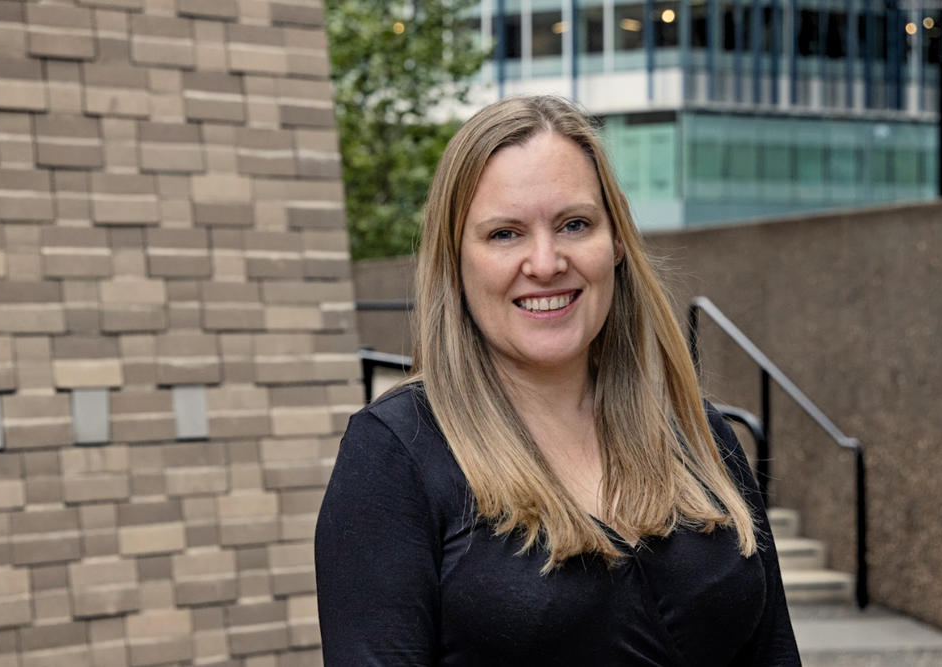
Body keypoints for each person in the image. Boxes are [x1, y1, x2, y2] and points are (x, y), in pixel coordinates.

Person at [314, 95, 801, 666]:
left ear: (616, 240)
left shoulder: (698, 433)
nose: (545, 263)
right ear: (455, 259)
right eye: (505, 234)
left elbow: (773, 652)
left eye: (574, 224)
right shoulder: (396, 456)